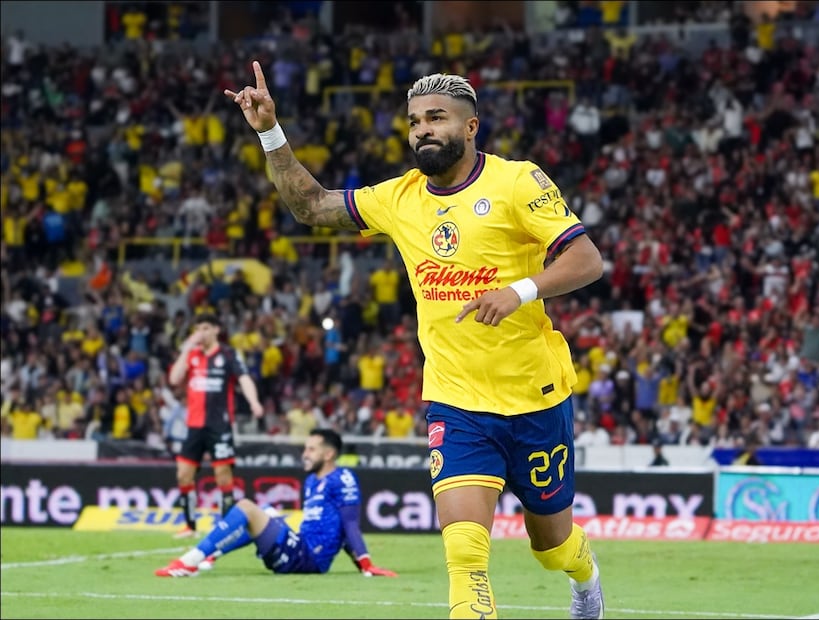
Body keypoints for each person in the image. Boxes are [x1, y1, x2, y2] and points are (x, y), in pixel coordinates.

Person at [225, 63, 606, 618]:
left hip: (536, 396)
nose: (422, 129)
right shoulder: (399, 198)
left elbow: (586, 260)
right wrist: (270, 133)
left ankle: (586, 579)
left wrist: (519, 291)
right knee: (464, 553)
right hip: (456, 402)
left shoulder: (518, 181)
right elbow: (310, 206)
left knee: (552, 549)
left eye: (436, 118)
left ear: (471, 127)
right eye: (414, 121)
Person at [155, 429, 397, 578]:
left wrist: (366, 564)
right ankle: (209, 556)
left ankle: (189, 563)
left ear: (328, 454)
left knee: (247, 508)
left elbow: (350, 524)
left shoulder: (342, 478)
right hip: (300, 549)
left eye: (311, 449)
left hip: (308, 558)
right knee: (266, 512)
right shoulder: (312, 480)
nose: (305, 453)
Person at [168, 313, 264, 538]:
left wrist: (254, 401)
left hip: (219, 425)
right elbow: (174, 379)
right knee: (183, 474)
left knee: (223, 475)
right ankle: (190, 526)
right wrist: (185, 348)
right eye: (198, 328)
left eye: (205, 328)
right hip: (194, 425)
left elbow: (244, 379)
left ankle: (227, 528)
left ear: (216, 330)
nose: (201, 333)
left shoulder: (228, 355)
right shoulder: (192, 355)